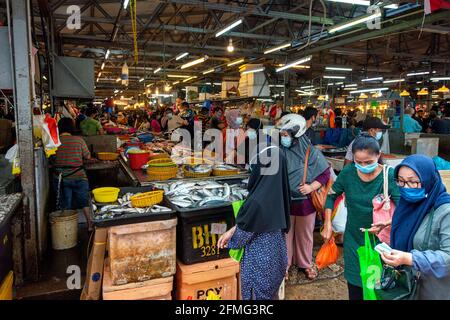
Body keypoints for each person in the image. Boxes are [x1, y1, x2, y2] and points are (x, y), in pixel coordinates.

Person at [322, 134, 400, 300]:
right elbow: (331, 196)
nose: (363, 166)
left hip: (382, 242)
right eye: (359, 162)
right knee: (356, 285)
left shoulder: (389, 176)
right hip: (354, 239)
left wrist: (387, 223)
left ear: (378, 156)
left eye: (368, 162)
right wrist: (327, 223)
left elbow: (404, 210)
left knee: (380, 285)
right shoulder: (349, 172)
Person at [217, 145, 291, 300]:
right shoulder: (280, 194)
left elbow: (239, 240)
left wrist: (225, 233)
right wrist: (235, 228)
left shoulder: (256, 202)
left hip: (259, 266)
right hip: (278, 258)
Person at [375, 155, 450, 299]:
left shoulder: (445, 211)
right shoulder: (407, 204)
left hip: (433, 290)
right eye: (401, 181)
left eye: (413, 182)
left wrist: (410, 258)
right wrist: (389, 223)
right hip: (407, 285)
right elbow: (413, 223)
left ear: (429, 180)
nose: (406, 187)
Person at [277, 114, 331, 280]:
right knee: (285, 236)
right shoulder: (279, 150)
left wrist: (310, 187)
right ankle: (284, 266)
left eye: (285, 135)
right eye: (282, 135)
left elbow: (325, 173)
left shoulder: (310, 152)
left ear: (296, 134)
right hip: (285, 202)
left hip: (305, 204)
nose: (282, 138)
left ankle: (305, 264)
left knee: (305, 236)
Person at [53, 118, 93, 230]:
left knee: (65, 204)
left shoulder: (55, 141)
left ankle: (67, 229)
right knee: (84, 202)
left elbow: (51, 158)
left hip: (61, 178)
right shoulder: (78, 140)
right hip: (79, 176)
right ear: (72, 127)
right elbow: (87, 156)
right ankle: (90, 224)